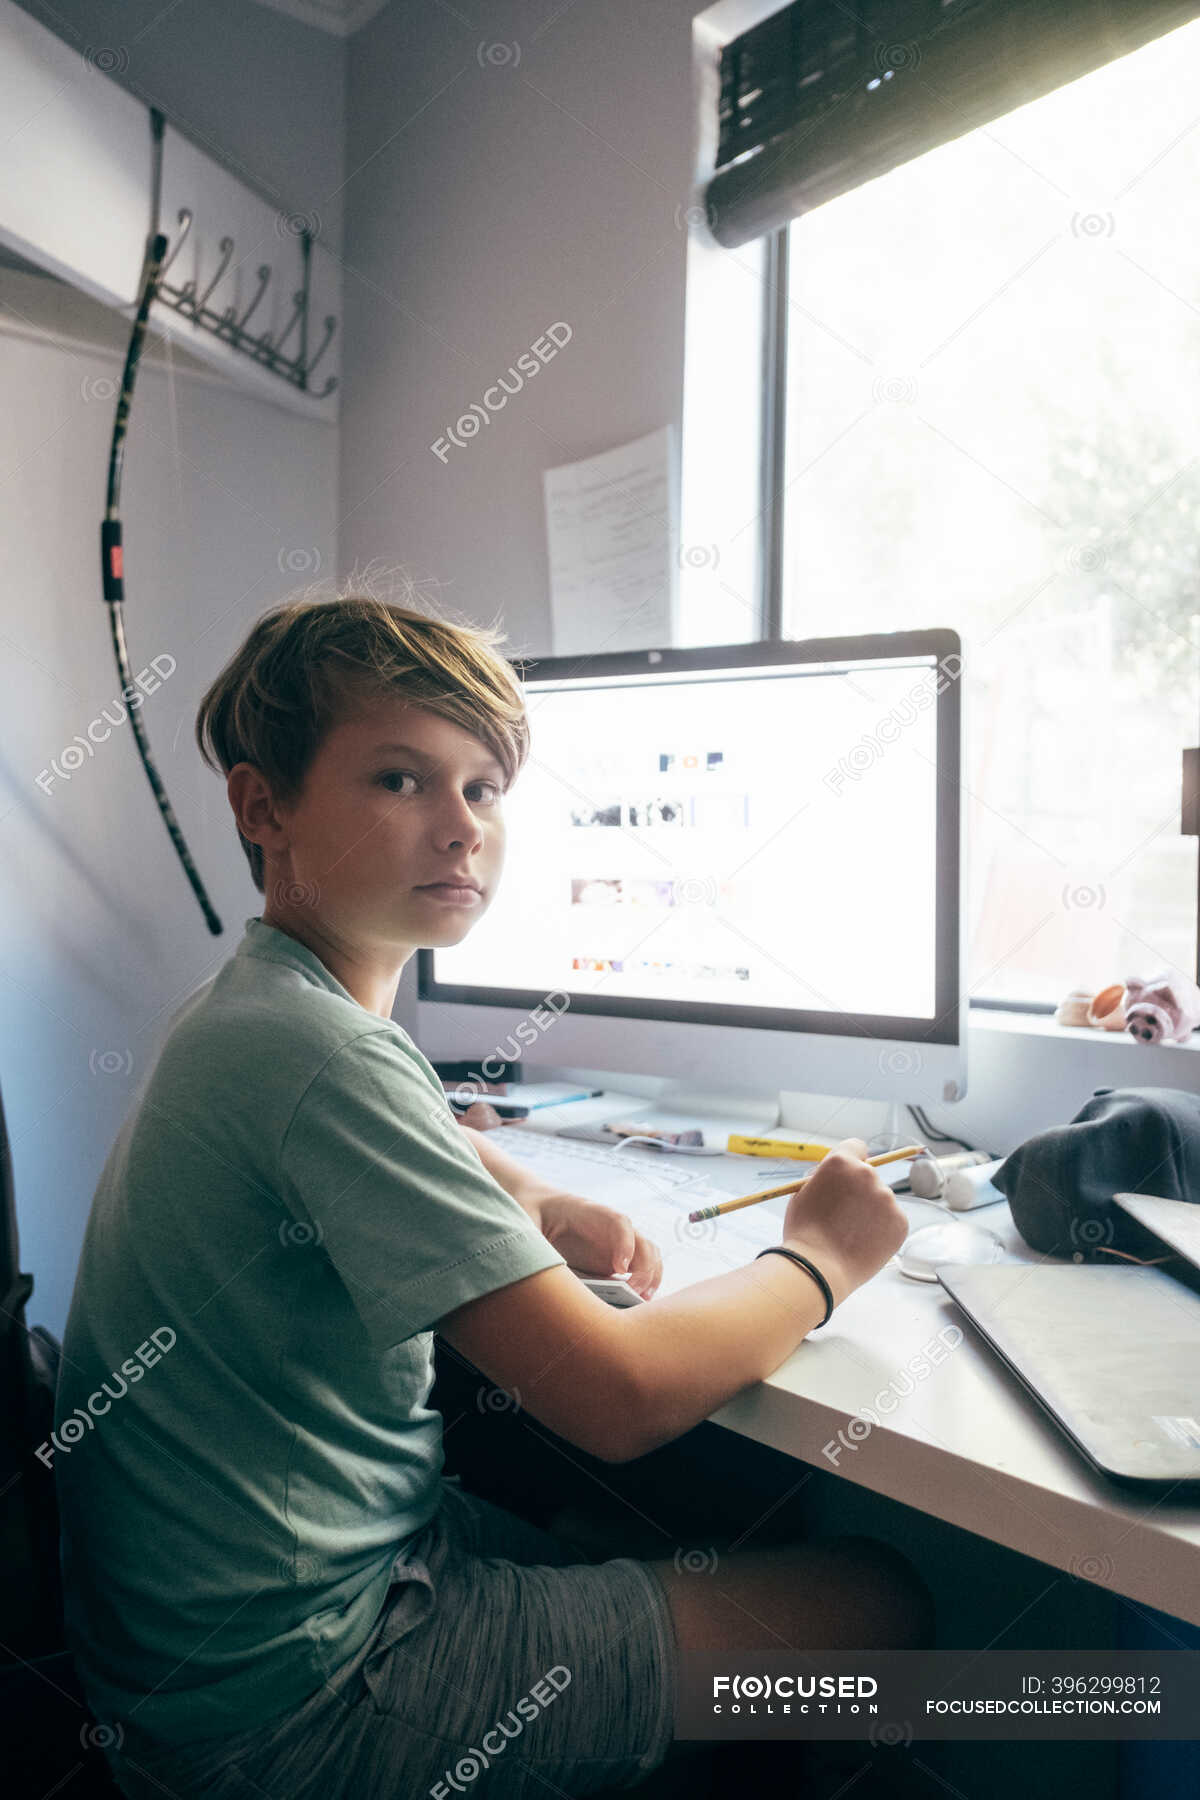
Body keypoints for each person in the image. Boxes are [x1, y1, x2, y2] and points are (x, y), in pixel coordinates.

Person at [53, 588, 933, 1800]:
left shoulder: (259, 1010)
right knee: (871, 1600)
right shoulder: (326, 1054)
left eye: (485, 789)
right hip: (297, 1708)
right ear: (264, 808)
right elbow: (619, 1399)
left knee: (691, 1526)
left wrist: (532, 1194)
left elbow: (415, 1135)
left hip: (196, 1664)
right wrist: (818, 1262)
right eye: (401, 781)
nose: (461, 827)